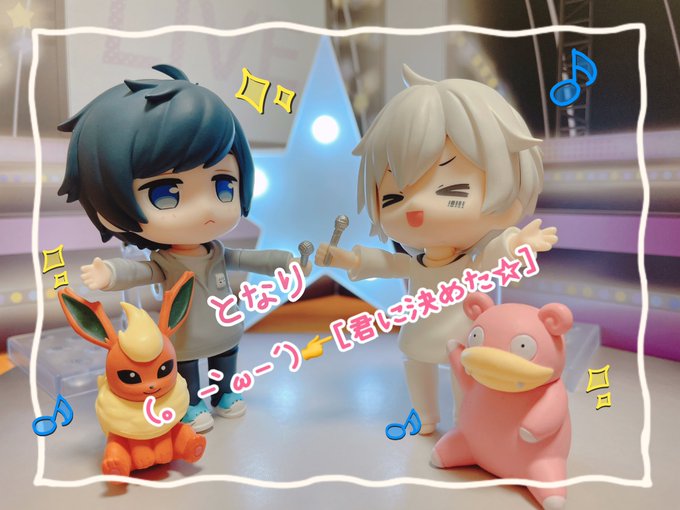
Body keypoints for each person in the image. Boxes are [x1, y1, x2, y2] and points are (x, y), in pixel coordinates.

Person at [58, 64, 308, 432]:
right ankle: (190, 402)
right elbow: (141, 271)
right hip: (185, 337)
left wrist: (285, 261)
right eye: (166, 193)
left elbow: (249, 259)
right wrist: (110, 273)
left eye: (223, 185)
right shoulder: (166, 260)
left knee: (226, 364)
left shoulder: (218, 252)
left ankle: (225, 394)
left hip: (226, 330)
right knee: (187, 369)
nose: (206, 209)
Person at [316, 65, 557, 434]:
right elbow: (390, 263)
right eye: (394, 197)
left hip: (464, 334)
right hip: (419, 332)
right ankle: (425, 416)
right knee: (416, 367)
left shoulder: (471, 263)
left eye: (452, 191)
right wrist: (347, 258)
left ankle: (465, 422)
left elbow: (493, 257)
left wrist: (516, 243)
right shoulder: (417, 263)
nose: (415, 208)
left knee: (465, 373)